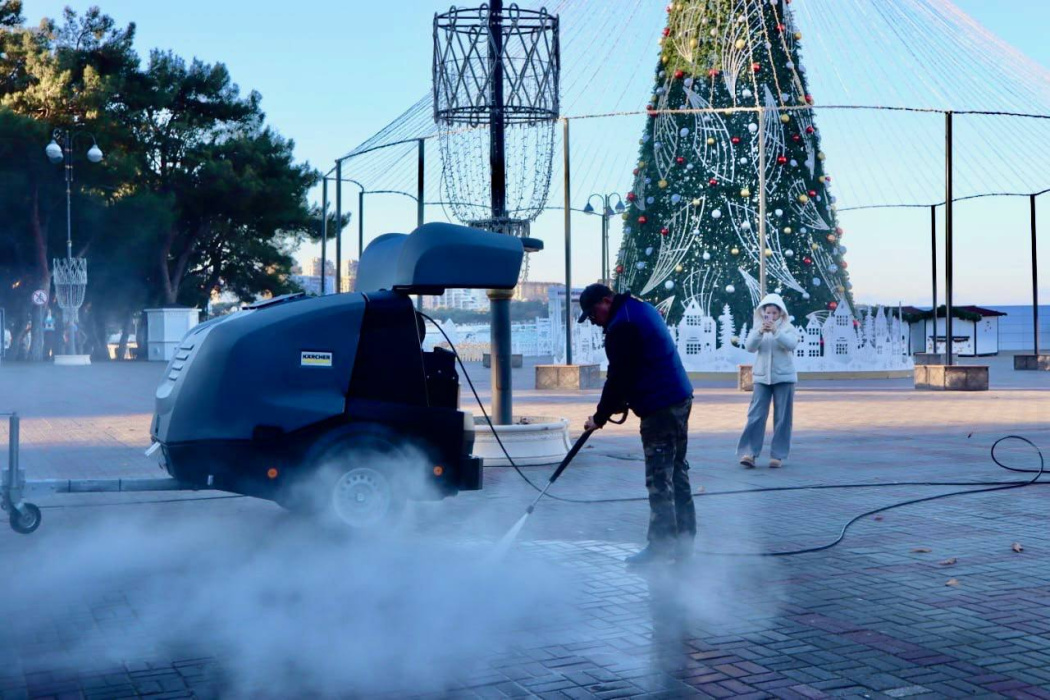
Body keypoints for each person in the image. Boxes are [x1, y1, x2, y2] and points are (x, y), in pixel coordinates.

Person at [579, 283, 696, 566]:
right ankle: (684, 542)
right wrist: (621, 401)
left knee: (660, 479)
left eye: (593, 314)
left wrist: (599, 417)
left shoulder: (622, 325)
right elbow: (636, 366)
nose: (594, 322)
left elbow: (618, 377)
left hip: (661, 408)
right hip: (679, 398)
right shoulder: (639, 308)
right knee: (677, 472)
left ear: (606, 301)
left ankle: (661, 548)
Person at [737, 293, 798, 469]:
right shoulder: (758, 328)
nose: (770, 316)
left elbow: (791, 345)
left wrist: (776, 331)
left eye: (774, 313)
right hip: (762, 378)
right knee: (755, 415)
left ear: (780, 313)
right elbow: (750, 347)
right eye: (767, 313)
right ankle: (749, 453)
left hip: (784, 377)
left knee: (783, 418)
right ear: (762, 313)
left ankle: (778, 455)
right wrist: (759, 332)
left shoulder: (788, 328)